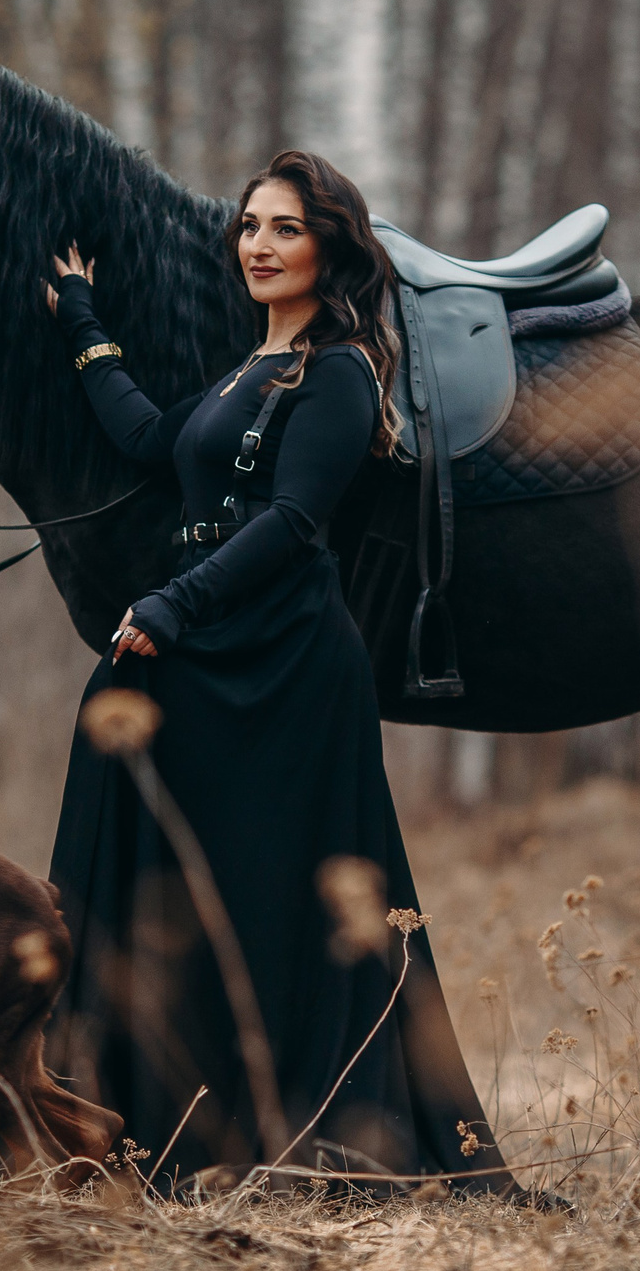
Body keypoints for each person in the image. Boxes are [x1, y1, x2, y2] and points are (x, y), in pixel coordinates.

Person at [34, 148, 517, 1197]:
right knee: (188, 889)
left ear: (328, 244)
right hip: (215, 652)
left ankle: (320, 1142)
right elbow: (151, 436)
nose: (259, 243)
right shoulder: (245, 367)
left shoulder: (341, 370)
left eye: (285, 227)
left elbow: (296, 523)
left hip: (284, 661)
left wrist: (171, 601)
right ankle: (160, 1129)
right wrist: (81, 319)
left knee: (275, 899)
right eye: (250, 225)